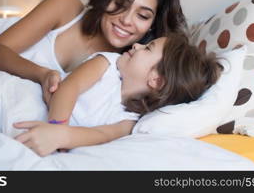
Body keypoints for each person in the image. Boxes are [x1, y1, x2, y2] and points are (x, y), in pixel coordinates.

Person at [0, 0, 187, 102]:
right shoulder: (65, 6)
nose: (125, 20)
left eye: (142, 16)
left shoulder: (129, 69)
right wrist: (42, 75)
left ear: (152, 24)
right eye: (120, 3)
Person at [13, 33, 222, 157]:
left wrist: (62, 138)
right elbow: (70, 87)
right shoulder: (107, 63)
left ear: (156, 80)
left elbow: (102, 135)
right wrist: (57, 128)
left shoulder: (130, 121)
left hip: (49, 134)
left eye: (147, 48)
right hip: (34, 106)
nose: (136, 45)